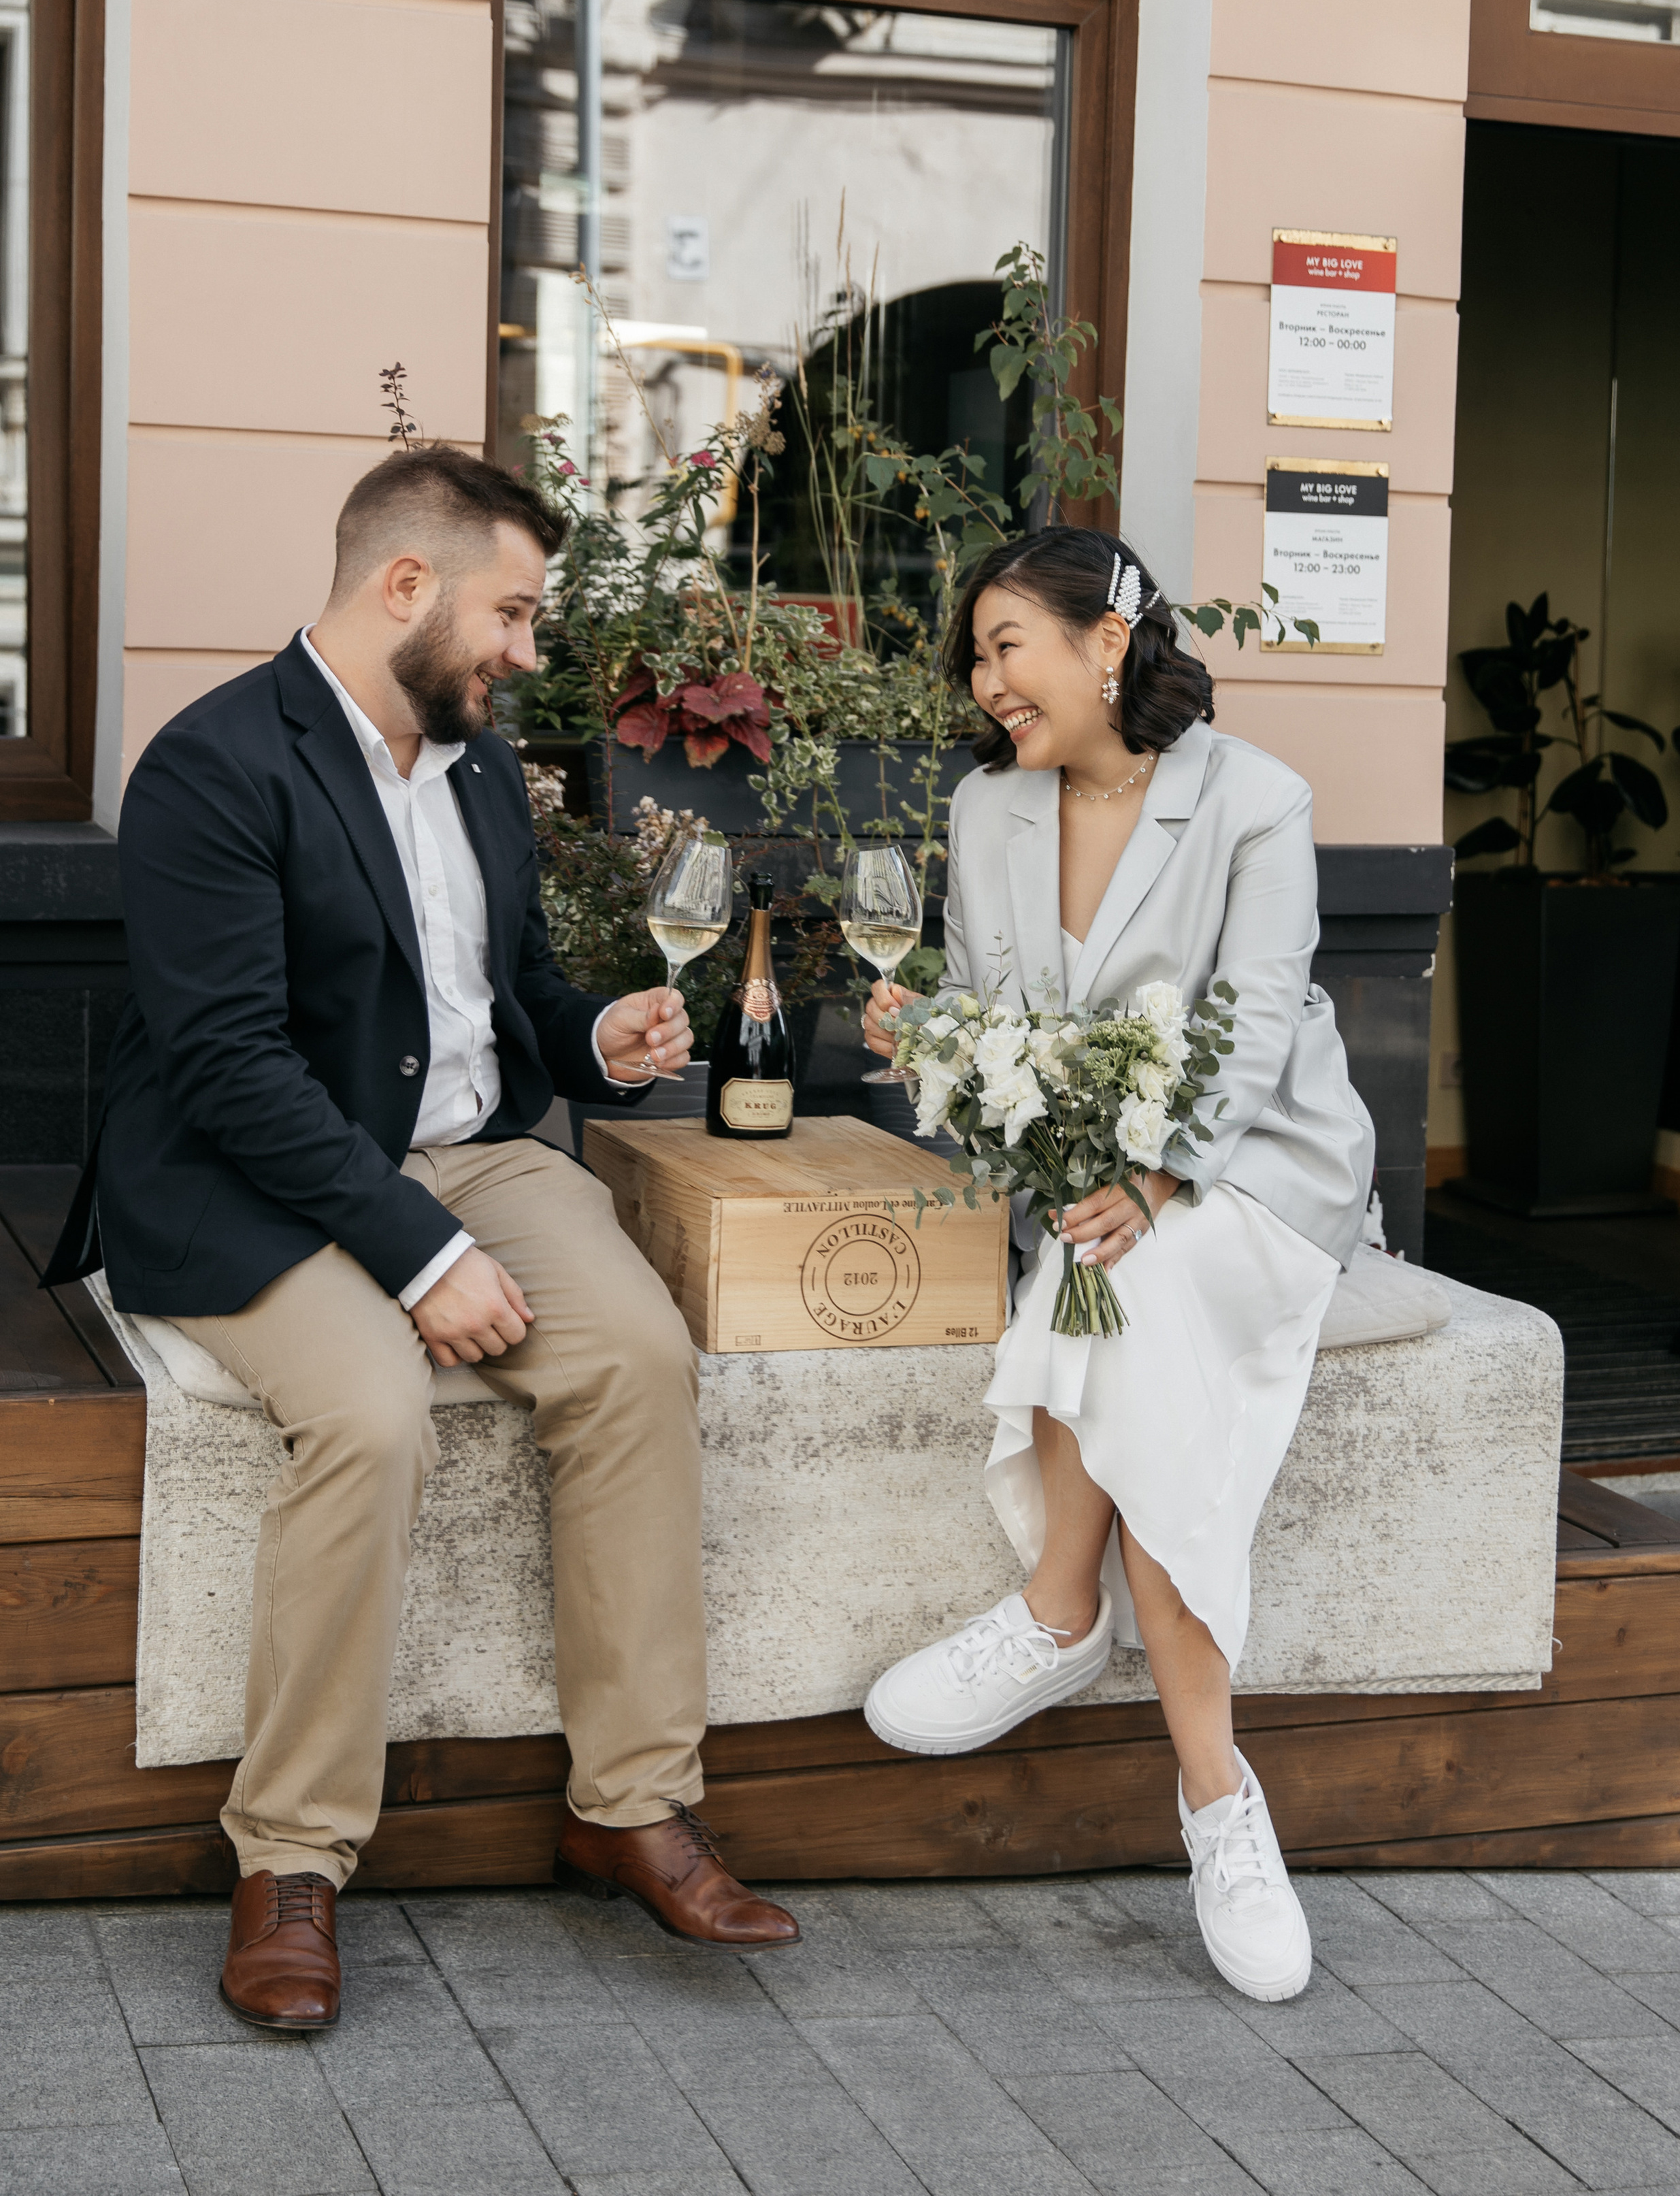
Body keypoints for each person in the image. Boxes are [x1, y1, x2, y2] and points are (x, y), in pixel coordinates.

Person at [46, 444, 799, 2032]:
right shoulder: (210, 766)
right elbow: (229, 1067)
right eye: (510, 615)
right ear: (406, 586)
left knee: (636, 1358)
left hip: (474, 1155)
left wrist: (596, 1039)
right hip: (250, 1180)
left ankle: (630, 1806)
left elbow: (511, 994)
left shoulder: (477, 770)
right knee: (374, 1411)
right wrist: (421, 1256)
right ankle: (289, 1859)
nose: (525, 652)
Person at [858, 528, 1373, 2003]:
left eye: (1006, 644)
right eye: (974, 656)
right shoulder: (986, 807)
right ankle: (1214, 1798)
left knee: (1123, 1289)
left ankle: (1062, 1619)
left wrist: (1156, 1179)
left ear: (1106, 642)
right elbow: (984, 1010)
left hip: (1255, 1169)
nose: (984, 680)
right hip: (1086, 1186)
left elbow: (1256, 1021)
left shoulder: (1255, 798)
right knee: (1112, 1289)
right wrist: (927, 1038)